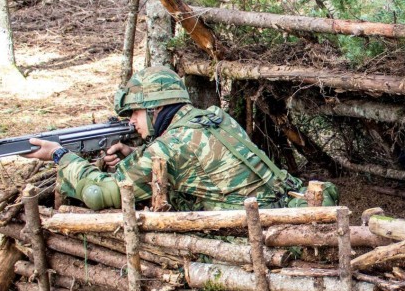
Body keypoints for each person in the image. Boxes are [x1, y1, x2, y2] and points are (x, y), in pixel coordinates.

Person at [25, 67, 336, 211]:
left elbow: (97, 194)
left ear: (156, 107)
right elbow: (197, 162)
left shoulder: (169, 145)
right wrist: (136, 152)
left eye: (135, 112)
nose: (132, 121)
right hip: (288, 202)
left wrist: (59, 157)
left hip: (255, 229)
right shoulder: (214, 116)